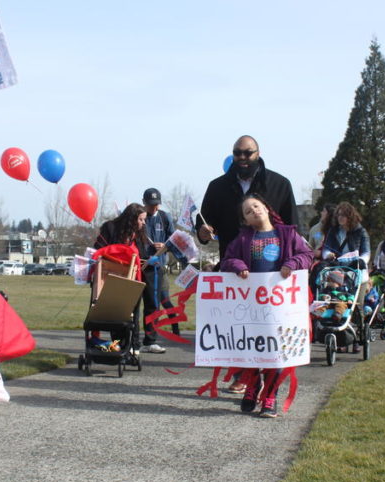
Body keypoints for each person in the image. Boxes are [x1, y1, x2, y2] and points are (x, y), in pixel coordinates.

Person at [219, 194, 313, 418]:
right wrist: (239, 265)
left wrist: (292, 262)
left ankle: (269, 397)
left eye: (256, 206)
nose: (254, 211)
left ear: (267, 208)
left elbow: (307, 255)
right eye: (248, 211)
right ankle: (252, 388)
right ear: (245, 221)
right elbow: (227, 260)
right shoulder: (243, 239)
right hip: (251, 305)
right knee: (253, 349)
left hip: (280, 306)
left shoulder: (288, 234)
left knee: (276, 352)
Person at [196, 135, 298, 261]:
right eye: (237, 153)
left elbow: (293, 227)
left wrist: (294, 261)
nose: (242, 157)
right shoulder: (217, 187)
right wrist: (203, 232)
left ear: (258, 154)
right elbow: (205, 221)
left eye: (248, 153)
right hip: (232, 265)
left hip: (271, 266)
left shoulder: (280, 184)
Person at [94, 204, 150, 352]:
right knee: (116, 313)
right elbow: (98, 248)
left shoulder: (139, 234)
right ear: (131, 219)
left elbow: (142, 254)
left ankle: (134, 346)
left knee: (134, 312)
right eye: (140, 219)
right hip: (109, 277)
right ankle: (119, 345)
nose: (143, 223)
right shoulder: (110, 227)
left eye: (144, 220)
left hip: (132, 279)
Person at [139, 188, 186, 353]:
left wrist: (164, 247)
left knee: (159, 301)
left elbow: (174, 240)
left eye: (157, 204)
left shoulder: (164, 217)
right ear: (144, 203)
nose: (154, 208)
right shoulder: (140, 218)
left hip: (158, 267)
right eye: (151, 205)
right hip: (140, 266)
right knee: (136, 304)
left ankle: (154, 338)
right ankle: (131, 340)